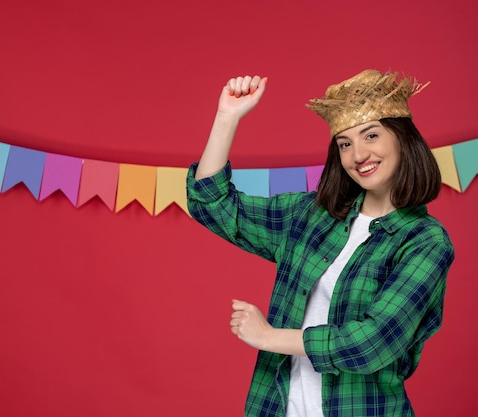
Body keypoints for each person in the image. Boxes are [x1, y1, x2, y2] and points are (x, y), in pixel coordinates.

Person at [186, 69, 455, 417]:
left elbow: (372, 342)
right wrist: (227, 117)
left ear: (403, 139)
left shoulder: (424, 241)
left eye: (370, 135)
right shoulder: (311, 216)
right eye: (345, 143)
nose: (358, 154)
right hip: (276, 407)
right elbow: (213, 207)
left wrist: (268, 337)